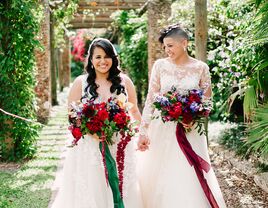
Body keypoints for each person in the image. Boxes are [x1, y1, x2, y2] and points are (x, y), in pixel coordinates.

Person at [137, 24, 227, 208]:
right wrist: (143, 130)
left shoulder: (201, 68)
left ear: (184, 43)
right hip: (163, 128)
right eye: (164, 46)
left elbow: (207, 101)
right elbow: (150, 99)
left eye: (170, 45)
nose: (166, 50)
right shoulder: (160, 66)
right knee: (163, 171)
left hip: (191, 130)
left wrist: (193, 117)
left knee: (187, 171)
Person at [51, 38, 143, 208]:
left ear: (114, 58)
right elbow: (72, 115)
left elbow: (134, 111)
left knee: (122, 182)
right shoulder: (81, 82)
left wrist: (143, 133)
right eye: (98, 57)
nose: (103, 61)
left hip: (119, 143)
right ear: (91, 60)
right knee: (94, 184)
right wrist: (90, 131)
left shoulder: (124, 81)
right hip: (91, 145)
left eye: (107, 56)